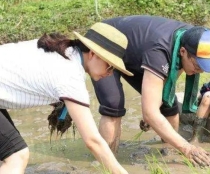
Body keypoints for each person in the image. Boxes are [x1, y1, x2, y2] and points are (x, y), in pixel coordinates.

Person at [0, 22, 132, 174]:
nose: (110, 73)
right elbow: (93, 141)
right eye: (110, 66)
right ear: (93, 54)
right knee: (16, 157)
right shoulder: (71, 75)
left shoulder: (64, 52)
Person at [91, 15, 210, 167]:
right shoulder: (160, 51)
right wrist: (187, 147)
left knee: (169, 105)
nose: (199, 70)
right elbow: (151, 112)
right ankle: (107, 163)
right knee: (113, 105)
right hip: (106, 42)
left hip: (136, 52)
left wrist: (152, 111)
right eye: (197, 65)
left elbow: (167, 85)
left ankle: (169, 154)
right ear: (182, 51)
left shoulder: (191, 38)